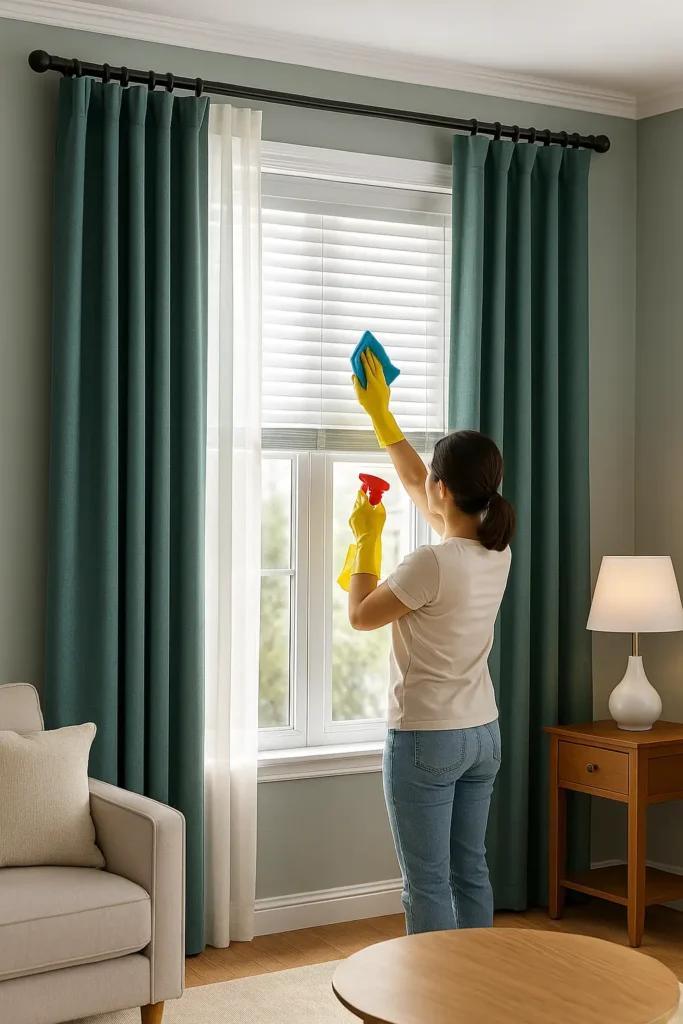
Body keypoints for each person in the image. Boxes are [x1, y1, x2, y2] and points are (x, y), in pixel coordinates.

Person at [345, 350, 515, 935]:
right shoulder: (495, 550)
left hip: (427, 739)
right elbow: (420, 482)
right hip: (482, 733)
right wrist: (382, 419)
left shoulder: (429, 563)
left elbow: (363, 616)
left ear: (448, 490)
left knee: (426, 881)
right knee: (471, 870)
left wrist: (367, 540)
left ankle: (435, 1005)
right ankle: (475, 993)